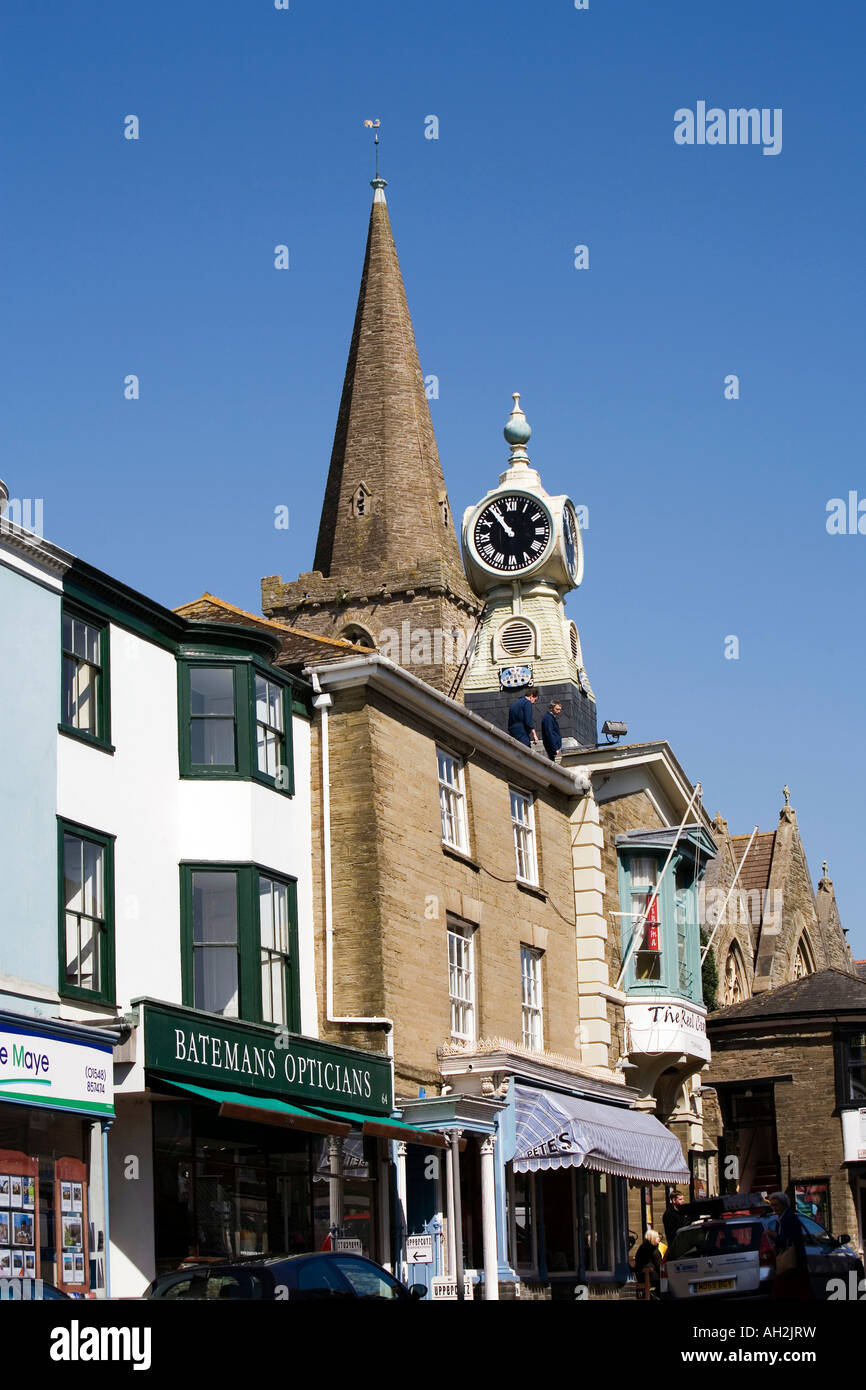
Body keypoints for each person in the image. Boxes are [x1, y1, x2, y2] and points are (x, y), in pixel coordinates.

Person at [767, 1191, 813, 1300]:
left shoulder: (789, 1218)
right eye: (772, 1205)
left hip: (793, 1261)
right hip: (788, 1262)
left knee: (790, 1292)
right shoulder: (780, 1219)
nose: (774, 1208)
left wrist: (774, 1235)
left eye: (776, 1205)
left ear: (783, 1204)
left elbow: (789, 1240)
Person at [633, 1227, 662, 1298]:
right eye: (657, 1237)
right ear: (652, 1238)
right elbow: (659, 1266)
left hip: (641, 1275)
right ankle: (655, 1296)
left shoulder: (642, 1247)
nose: (659, 1238)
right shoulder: (653, 1250)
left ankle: (654, 1295)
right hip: (649, 1276)